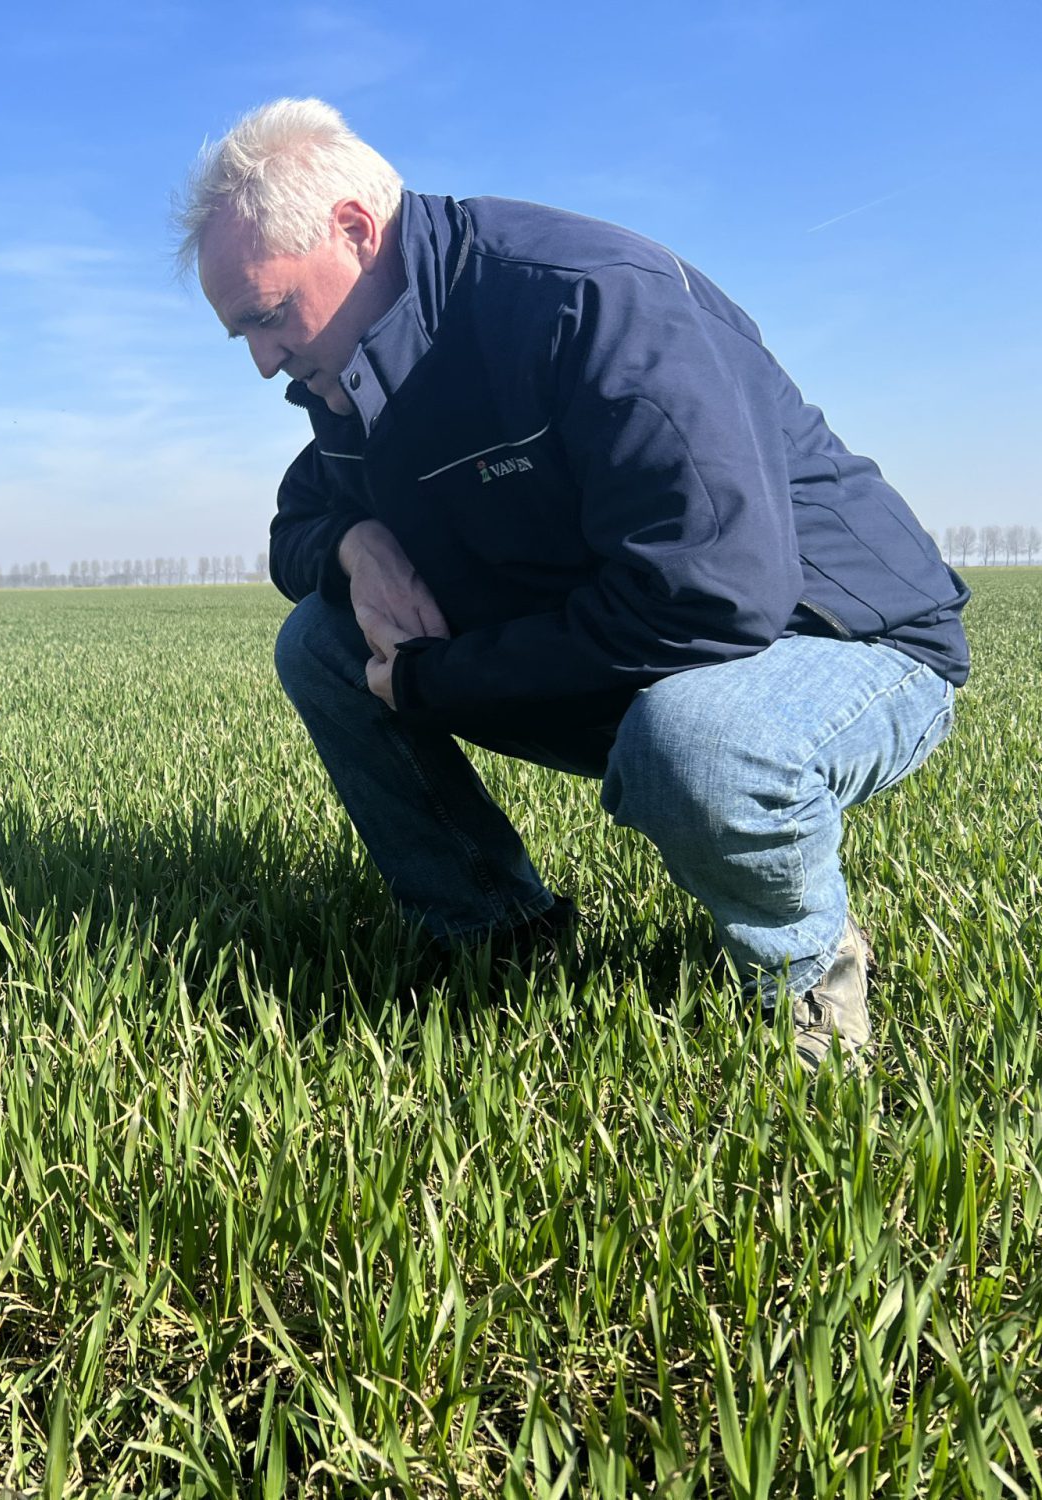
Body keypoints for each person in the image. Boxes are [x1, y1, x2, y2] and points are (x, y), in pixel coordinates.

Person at [176, 99, 968, 1067]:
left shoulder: (582, 301)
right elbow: (293, 522)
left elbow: (711, 596)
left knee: (697, 745)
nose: (262, 363)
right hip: (642, 643)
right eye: (241, 339)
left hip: (834, 633)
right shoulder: (349, 374)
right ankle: (496, 936)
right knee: (319, 645)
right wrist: (354, 544)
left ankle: (806, 986)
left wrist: (437, 681)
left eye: (266, 316)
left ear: (351, 230)